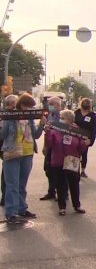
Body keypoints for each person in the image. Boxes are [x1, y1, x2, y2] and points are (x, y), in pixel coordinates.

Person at [1, 93, 45, 224]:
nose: (30, 109)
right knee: (12, 184)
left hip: (27, 153)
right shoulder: (11, 116)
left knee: (22, 184)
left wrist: (42, 125)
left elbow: (36, 135)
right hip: (13, 152)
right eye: (28, 106)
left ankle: (22, 208)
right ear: (22, 105)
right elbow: (3, 134)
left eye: (32, 107)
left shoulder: (30, 118)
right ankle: (11, 212)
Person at [46, 109, 89, 216]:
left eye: (63, 117)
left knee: (74, 184)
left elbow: (81, 148)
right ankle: (62, 207)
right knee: (60, 185)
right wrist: (47, 133)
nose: (60, 119)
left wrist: (85, 144)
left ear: (69, 119)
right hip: (58, 160)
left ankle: (77, 205)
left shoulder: (76, 131)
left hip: (72, 160)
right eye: (61, 117)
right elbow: (49, 144)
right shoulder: (55, 129)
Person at [40, 96, 62, 201]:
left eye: (52, 104)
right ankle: (51, 191)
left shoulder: (62, 117)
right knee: (48, 169)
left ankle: (61, 193)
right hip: (50, 145)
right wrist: (45, 146)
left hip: (58, 147)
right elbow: (47, 131)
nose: (50, 106)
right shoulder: (50, 116)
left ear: (57, 105)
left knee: (58, 171)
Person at [0, 95, 19, 207]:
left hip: (4, 146)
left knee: (6, 173)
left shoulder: (4, 114)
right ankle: (6, 198)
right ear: (12, 104)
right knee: (7, 174)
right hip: (6, 146)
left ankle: (5, 197)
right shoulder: (9, 115)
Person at [74, 98, 96, 178]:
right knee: (74, 153)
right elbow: (70, 122)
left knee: (84, 154)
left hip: (85, 138)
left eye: (87, 103)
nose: (86, 104)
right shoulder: (76, 113)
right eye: (84, 103)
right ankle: (74, 169)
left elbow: (94, 129)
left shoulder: (92, 115)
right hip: (75, 137)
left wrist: (91, 140)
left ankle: (83, 171)